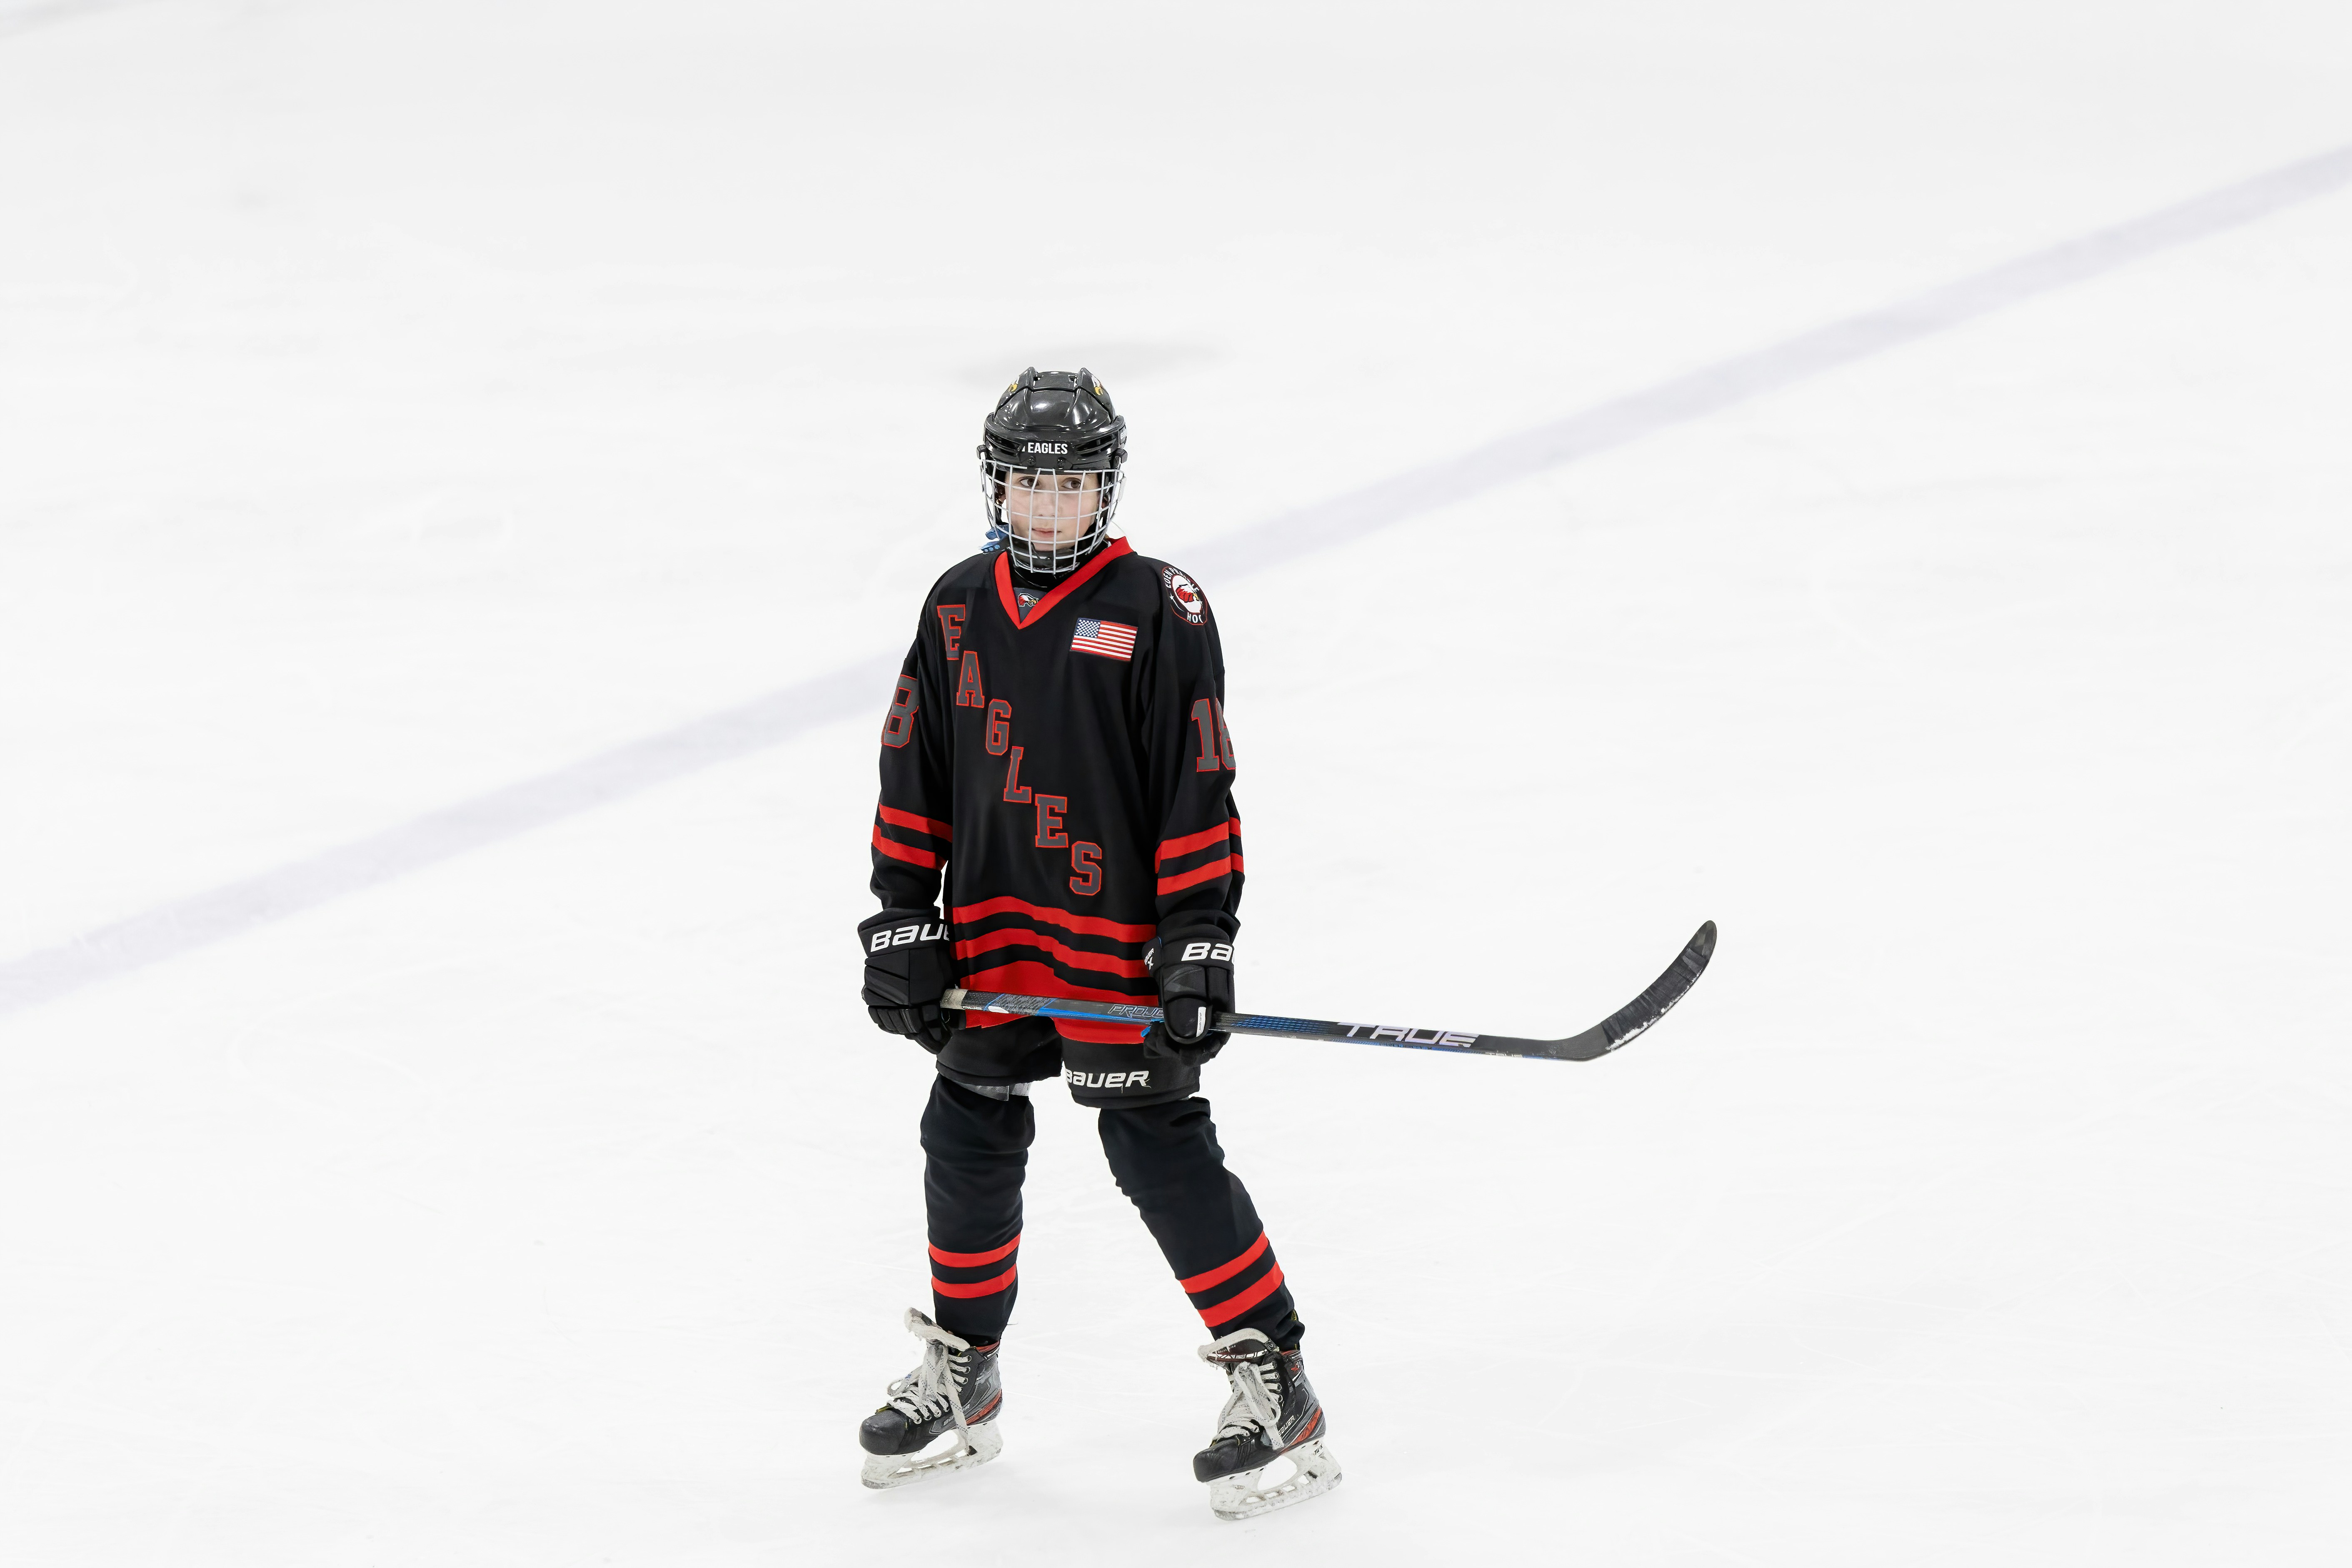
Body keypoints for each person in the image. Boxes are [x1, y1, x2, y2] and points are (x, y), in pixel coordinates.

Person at [851, 369, 1340, 1520]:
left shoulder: (1160, 607)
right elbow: (912, 766)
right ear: (999, 486)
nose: (1051, 506)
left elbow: (1196, 784)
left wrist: (1198, 942)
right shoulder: (957, 605)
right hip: (994, 939)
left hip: (1113, 949)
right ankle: (964, 1370)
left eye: (1072, 483)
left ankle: (1279, 1381)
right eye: (1032, 483)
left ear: (1106, 487)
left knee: (1156, 1146)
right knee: (965, 1127)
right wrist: (901, 915)